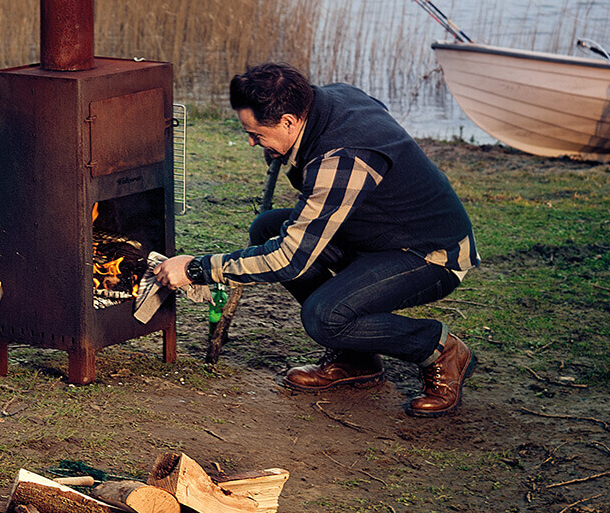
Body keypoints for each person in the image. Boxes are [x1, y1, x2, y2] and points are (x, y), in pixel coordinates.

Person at [154, 63, 481, 417]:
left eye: (256, 134)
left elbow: (289, 258)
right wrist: (282, 150)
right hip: (376, 231)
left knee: (325, 317)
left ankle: (440, 348)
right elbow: (374, 114)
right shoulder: (330, 98)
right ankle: (357, 359)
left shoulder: (342, 159)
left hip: (430, 253)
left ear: (289, 122)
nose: (250, 142)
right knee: (266, 228)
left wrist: (197, 268)